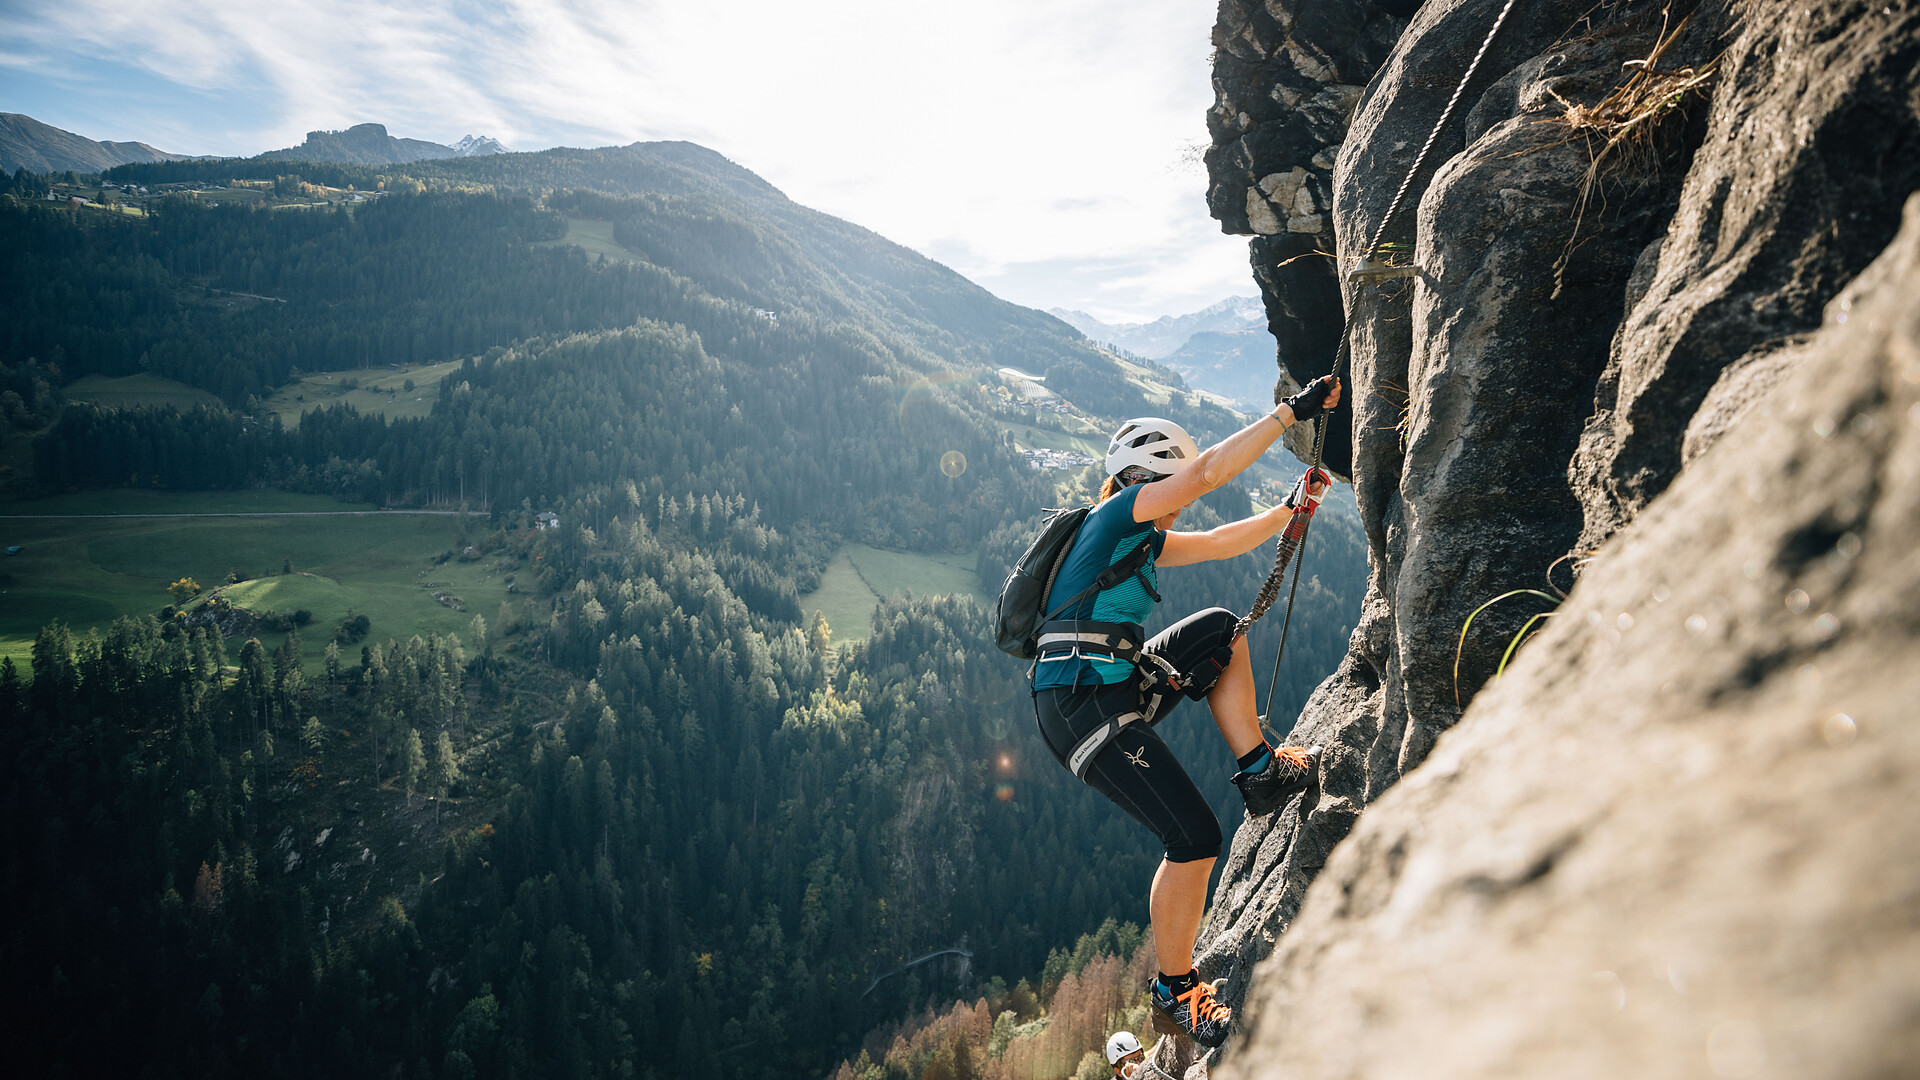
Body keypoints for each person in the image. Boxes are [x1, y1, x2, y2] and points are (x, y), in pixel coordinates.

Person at [1029, 374, 1341, 1048]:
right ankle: (1174, 989)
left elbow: (1224, 541)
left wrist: (1291, 510)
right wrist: (1290, 413)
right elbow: (1206, 474)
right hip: (1081, 706)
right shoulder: (1116, 517)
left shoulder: (1135, 541)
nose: (1179, 502)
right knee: (1194, 837)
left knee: (1222, 630)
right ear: (1142, 479)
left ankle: (1259, 769)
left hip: (1110, 687)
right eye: (1167, 487)